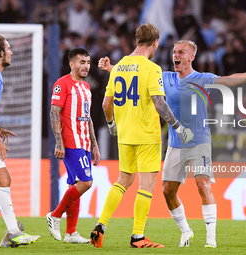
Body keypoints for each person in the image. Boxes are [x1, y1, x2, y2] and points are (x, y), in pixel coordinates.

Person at [99, 39, 246, 248]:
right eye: (174, 52)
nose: (176, 55)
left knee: (203, 185)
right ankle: (186, 230)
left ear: (192, 57)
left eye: (182, 52)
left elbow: (228, 80)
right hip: (176, 143)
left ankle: (211, 239)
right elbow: (135, 75)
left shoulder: (202, 78)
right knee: (168, 190)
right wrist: (110, 68)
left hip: (199, 140)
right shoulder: (165, 78)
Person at [90, 23, 193, 249]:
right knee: (146, 185)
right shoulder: (152, 68)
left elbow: (106, 103)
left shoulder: (119, 67)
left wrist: (111, 125)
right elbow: (159, 104)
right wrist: (178, 127)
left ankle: (100, 226)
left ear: (137, 40)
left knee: (123, 181)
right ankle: (138, 237)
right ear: (155, 43)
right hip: (146, 134)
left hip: (124, 133)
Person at [46, 48, 101, 244]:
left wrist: (94, 145)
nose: (86, 66)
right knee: (86, 183)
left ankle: (71, 233)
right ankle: (55, 215)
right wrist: (59, 142)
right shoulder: (62, 84)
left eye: (88, 62)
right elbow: (54, 113)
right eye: (82, 62)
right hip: (70, 142)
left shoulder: (86, 87)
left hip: (85, 143)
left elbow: (88, 118)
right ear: (72, 64)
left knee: (74, 185)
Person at [0, 35, 40, 247]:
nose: (11, 52)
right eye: (8, 49)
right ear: (0, 53)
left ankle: (11, 229)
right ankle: (12, 231)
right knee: (4, 179)